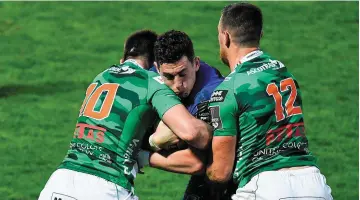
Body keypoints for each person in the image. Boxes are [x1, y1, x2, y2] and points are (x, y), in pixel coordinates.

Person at [37, 30, 212, 200]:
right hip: (105, 187)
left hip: (60, 182)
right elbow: (193, 133)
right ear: (155, 66)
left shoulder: (101, 77)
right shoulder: (151, 83)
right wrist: (219, 129)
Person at [206, 3, 333, 200]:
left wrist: (203, 168)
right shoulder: (283, 73)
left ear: (225, 37)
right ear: (260, 34)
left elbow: (221, 172)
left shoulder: (227, 90)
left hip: (266, 188)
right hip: (315, 185)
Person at [144, 30, 235, 200]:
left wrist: (144, 153)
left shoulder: (211, 96)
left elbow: (195, 162)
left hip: (230, 172)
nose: (178, 85)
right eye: (169, 76)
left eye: (183, 74)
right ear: (157, 69)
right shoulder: (150, 75)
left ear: (196, 64)